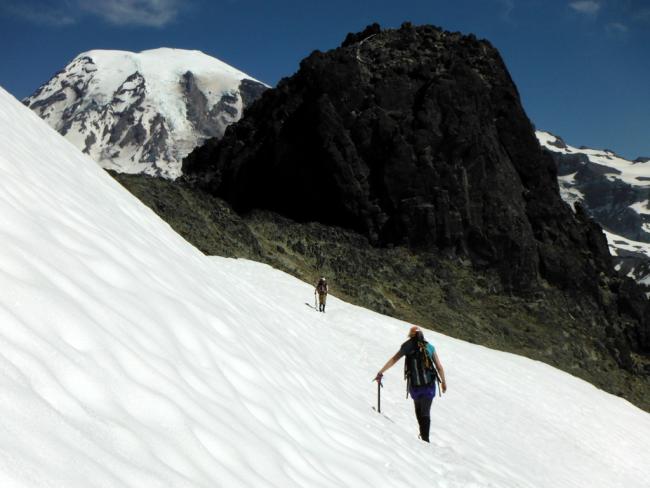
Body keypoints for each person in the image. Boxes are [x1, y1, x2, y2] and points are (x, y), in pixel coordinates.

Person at [374, 326, 447, 442]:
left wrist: (380, 372)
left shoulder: (407, 346)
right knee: (426, 411)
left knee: (418, 410)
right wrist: (443, 382)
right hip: (429, 385)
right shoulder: (430, 347)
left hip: (415, 385)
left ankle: (423, 437)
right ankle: (425, 438)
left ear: (410, 335)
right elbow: (439, 367)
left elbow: (394, 359)